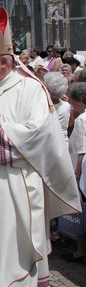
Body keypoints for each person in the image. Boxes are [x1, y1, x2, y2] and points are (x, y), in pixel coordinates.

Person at [0, 8, 81, 286]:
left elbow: (38, 133)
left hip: (12, 190)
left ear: (5, 62)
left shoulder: (30, 89)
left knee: (7, 250)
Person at [66, 82, 86, 261]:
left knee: (81, 211)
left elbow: (81, 149)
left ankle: (81, 250)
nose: (70, 104)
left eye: (72, 100)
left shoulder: (81, 120)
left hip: (80, 170)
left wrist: (77, 174)